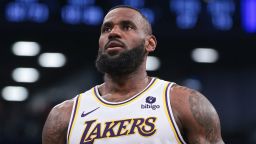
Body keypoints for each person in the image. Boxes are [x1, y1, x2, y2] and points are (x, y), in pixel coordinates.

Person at [42, 5, 224, 144]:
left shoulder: (184, 103)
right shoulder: (64, 115)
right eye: (106, 29)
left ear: (150, 43)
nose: (113, 33)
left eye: (127, 27)